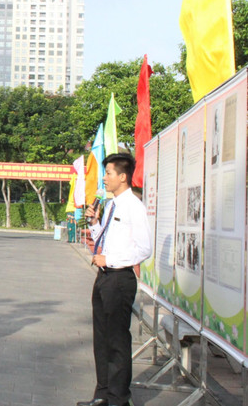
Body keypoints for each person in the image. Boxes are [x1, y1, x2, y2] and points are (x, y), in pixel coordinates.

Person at [78, 153, 152, 406]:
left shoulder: (134, 207)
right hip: (104, 278)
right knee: (101, 337)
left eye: (109, 173)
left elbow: (144, 249)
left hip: (120, 279)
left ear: (122, 176)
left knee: (117, 340)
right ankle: (102, 394)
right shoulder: (111, 205)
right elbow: (103, 241)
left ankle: (119, 399)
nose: (105, 178)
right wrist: (95, 222)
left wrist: (109, 260)